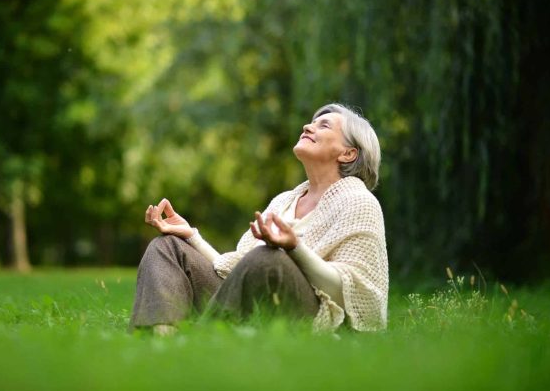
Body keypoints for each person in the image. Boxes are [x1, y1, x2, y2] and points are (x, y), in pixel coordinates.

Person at [129, 103, 388, 334]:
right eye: (312, 122)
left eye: (324, 125)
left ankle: (198, 342)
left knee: (269, 258)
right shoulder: (284, 201)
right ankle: (160, 341)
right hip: (252, 296)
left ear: (348, 154)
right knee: (167, 246)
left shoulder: (360, 203)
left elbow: (352, 291)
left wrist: (294, 249)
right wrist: (191, 237)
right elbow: (238, 268)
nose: (308, 126)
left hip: (314, 314)